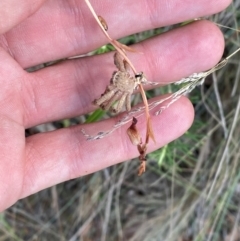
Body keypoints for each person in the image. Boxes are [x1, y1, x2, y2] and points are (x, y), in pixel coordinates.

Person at [0, 0, 230, 211]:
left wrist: (134, 78)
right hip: (124, 80)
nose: (109, 82)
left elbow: (118, 100)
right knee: (106, 100)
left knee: (112, 102)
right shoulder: (118, 76)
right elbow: (116, 65)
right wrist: (118, 57)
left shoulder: (125, 87)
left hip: (127, 84)